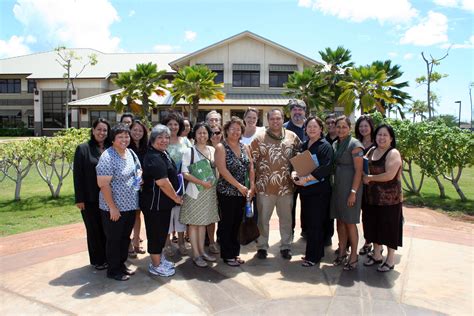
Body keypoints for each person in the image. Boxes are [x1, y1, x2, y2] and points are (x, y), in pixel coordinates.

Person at [251, 109, 301, 260]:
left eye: (278, 118)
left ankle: (286, 246)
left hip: (286, 188)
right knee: (263, 220)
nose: (275, 121)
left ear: (282, 119)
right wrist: (252, 184)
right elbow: (251, 163)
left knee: (286, 219)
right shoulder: (259, 138)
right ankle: (262, 247)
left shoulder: (292, 136)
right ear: (267, 120)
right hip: (264, 188)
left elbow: (300, 155)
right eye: (272, 119)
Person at [96, 123, 141, 281]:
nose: (124, 139)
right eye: (120, 137)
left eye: (126, 136)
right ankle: (113, 270)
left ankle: (121, 265)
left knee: (124, 238)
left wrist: (138, 180)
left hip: (129, 205)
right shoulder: (107, 157)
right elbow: (103, 184)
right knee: (114, 239)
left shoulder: (130, 153)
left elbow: (137, 171)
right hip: (113, 208)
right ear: (113, 139)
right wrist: (113, 208)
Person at [140, 124, 183, 277]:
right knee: (155, 234)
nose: (164, 140)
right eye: (160, 137)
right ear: (153, 139)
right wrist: (176, 198)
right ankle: (156, 265)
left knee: (161, 233)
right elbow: (163, 183)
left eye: (166, 137)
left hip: (163, 205)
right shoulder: (153, 157)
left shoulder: (163, 153)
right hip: (154, 205)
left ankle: (159, 259)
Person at [291, 116, 333, 267]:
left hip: (319, 192)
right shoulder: (304, 145)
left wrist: (307, 179)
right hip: (306, 192)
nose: (312, 129)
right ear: (305, 129)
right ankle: (312, 253)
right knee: (309, 223)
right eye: (309, 127)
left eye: (315, 127)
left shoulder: (325, 146)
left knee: (316, 224)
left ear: (321, 129)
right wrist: (295, 174)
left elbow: (326, 168)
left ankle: (313, 257)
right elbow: (299, 165)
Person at [362, 124, 403, 272]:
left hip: (390, 201)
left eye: (385, 135)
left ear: (391, 138)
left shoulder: (393, 153)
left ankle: (390, 259)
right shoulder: (372, 150)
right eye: (379, 134)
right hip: (371, 199)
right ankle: (377, 255)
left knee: (389, 229)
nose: (381, 138)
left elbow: (389, 175)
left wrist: (370, 178)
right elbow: (363, 165)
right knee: (373, 227)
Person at [215, 117, 255, 266]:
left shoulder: (245, 147)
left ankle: (235, 253)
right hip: (227, 192)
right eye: (232, 129)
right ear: (226, 130)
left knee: (238, 224)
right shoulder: (221, 147)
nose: (236, 132)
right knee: (227, 224)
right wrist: (239, 186)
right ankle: (227, 255)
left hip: (243, 192)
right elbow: (223, 170)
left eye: (238, 129)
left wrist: (252, 186)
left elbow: (251, 167)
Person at [180, 122, 220, 267]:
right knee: (194, 224)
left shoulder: (212, 149)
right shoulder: (188, 152)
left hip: (209, 193)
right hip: (195, 192)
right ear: (194, 135)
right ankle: (196, 254)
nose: (202, 135)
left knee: (202, 224)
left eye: (205, 133)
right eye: (199, 133)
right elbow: (184, 173)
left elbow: (218, 168)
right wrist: (202, 183)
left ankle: (202, 251)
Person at [73, 118, 110, 271]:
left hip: (108, 197)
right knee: (94, 230)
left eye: (105, 130)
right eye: (99, 129)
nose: (102, 133)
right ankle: (98, 260)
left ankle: (109, 257)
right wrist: (79, 199)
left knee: (107, 229)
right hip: (90, 198)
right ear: (93, 130)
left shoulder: (111, 148)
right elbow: (78, 175)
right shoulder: (83, 149)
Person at [330, 116, 364, 271]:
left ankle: (354, 256)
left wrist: (353, 192)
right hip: (337, 188)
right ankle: (342, 252)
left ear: (349, 128)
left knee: (350, 222)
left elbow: (359, 170)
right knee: (340, 221)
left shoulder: (355, 145)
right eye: (338, 127)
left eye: (344, 127)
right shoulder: (336, 143)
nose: (341, 129)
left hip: (350, 187)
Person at [161, 112, 192, 256]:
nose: (173, 127)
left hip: (183, 183)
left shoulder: (185, 141)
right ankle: (166, 244)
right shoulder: (161, 140)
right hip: (166, 182)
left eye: (176, 124)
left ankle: (181, 242)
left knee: (180, 214)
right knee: (167, 214)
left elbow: (192, 158)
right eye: (170, 124)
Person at [283, 99, 308, 240]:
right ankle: (289, 233)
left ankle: (306, 231)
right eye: (294, 110)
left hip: (307, 174)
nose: (297, 112)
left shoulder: (311, 127)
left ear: (305, 112)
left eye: (300, 110)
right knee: (289, 207)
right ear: (290, 112)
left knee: (307, 206)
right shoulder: (284, 128)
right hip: (288, 174)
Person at [355, 115, 376, 256]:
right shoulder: (356, 143)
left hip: (375, 185)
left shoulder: (378, 142)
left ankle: (377, 245)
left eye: (366, 126)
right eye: (361, 126)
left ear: (371, 127)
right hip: (361, 185)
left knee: (375, 216)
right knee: (365, 215)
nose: (363, 128)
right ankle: (368, 242)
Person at [127, 120, 148, 258]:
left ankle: (136, 242)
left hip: (143, 186)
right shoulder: (126, 146)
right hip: (128, 187)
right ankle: (128, 244)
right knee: (129, 215)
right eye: (134, 130)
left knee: (138, 214)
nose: (137, 133)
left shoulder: (147, 146)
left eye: (140, 130)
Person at [206, 123, 223, 254]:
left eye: (217, 133)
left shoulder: (226, 147)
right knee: (209, 216)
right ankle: (209, 241)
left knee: (221, 217)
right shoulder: (205, 149)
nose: (215, 136)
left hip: (223, 187)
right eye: (211, 133)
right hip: (207, 188)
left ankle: (218, 240)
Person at [323, 113, 338, 247]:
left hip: (340, 180)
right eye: (328, 123)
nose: (330, 125)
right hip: (326, 181)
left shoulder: (342, 140)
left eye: (333, 122)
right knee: (327, 210)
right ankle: (327, 236)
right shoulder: (323, 140)